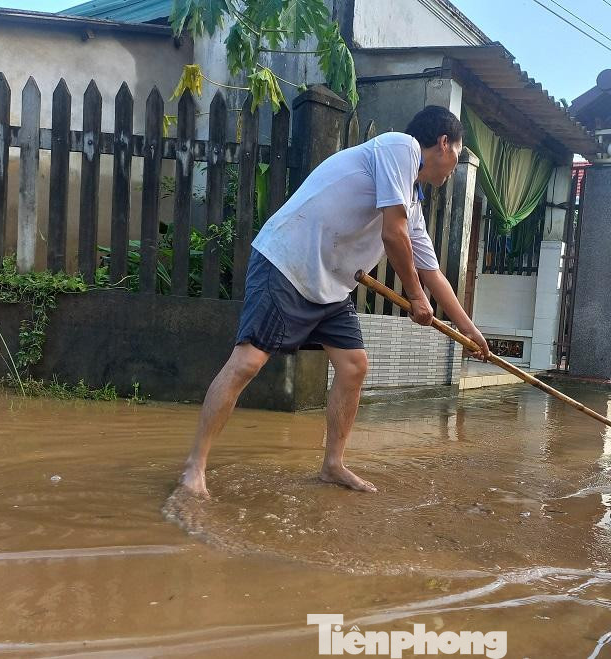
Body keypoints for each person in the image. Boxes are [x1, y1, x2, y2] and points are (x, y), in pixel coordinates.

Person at [178, 106, 490, 497]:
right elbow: (394, 238)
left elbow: (432, 274)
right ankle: (196, 467)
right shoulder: (401, 147)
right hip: (288, 261)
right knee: (247, 362)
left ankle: (333, 465)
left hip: (332, 285)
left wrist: (471, 332)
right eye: (457, 156)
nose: (452, 169)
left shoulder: (412, 204)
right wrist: (414, 298)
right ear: (443, 143)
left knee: (354, 366)